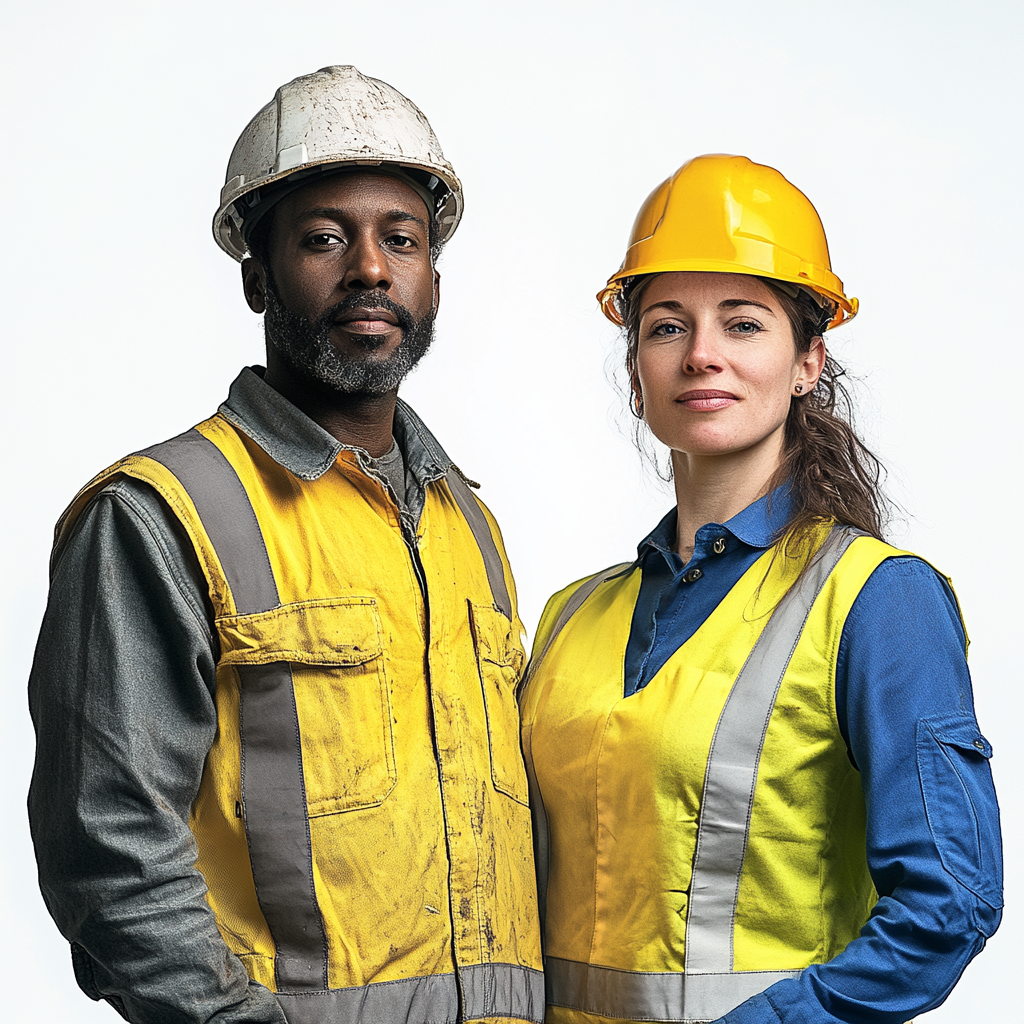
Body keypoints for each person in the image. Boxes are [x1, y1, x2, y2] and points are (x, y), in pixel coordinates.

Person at [28, 66, 542, 1024]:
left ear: (434, 275)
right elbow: (110, 846)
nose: (371, 269)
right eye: (322, 238)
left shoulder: (467, 524)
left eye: (403, 238)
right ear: (256, 272)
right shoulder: (160, 513)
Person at [518, 154, 1002, 1024]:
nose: (702, 355)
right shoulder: (569, 618)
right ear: (635, 371)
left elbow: (949, 905)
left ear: (810, 360)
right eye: (667, 327)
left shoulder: (877, 602)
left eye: (743, 325)